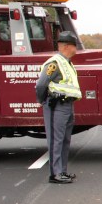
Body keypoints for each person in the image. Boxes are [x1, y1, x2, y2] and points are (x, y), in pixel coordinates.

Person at [36, 31, 82, 184]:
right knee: (56, 139)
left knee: (64, 140)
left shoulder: (67, 63)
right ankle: (55, 174)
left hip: (67, 105)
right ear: (67, 46)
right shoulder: (54, 63)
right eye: (75, 46)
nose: (76, 49)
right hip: (56, 106)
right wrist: (43, 101)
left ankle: (62, 171)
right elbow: (41, 84)